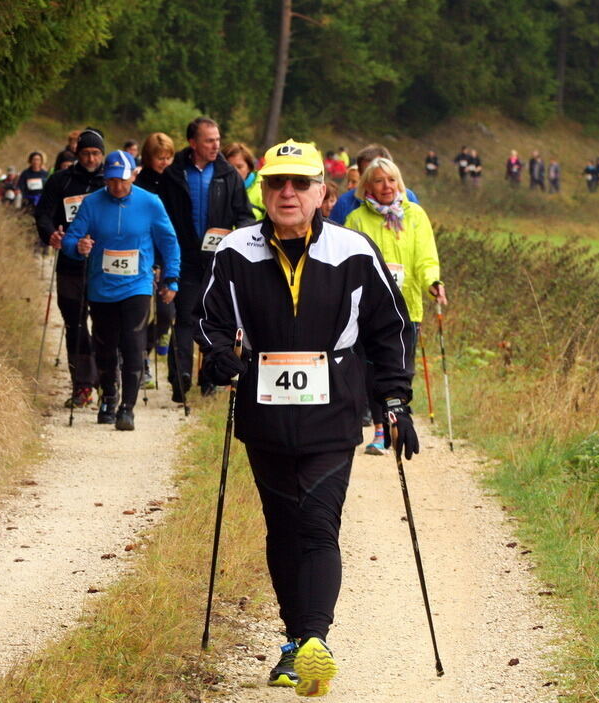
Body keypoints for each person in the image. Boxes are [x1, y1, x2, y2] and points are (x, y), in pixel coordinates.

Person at [198, 139, 417, 696]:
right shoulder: (236, 251)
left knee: (318, 523)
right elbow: (207, 320)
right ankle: (295, 641)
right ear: (263, 192)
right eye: (276, 183)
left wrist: (394, 401)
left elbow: (388, 329)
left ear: (323, 191)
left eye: (299, 183)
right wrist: (228, 363)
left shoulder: (353, 250)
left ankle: (314, 637)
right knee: (283, 527)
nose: (287, 193)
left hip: (331, 408)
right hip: (264, 411)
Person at [61, 150, 180, 430]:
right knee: (104, 346)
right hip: (102, 287)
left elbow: (170, 243)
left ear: (133, 175)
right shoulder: (91, 203)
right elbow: (71, 239)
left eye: (122, 181)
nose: (116, 186)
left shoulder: (150, 203)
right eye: (111, 181)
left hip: (137, 285)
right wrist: (78, 248)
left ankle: (127, 407)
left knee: (133, 344)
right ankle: (108, 399)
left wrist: (171, 278)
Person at [345, 157, 446, 454]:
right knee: (371, 368)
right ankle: (379, 429)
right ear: (367, 186)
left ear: (399, 183)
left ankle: (397, 419)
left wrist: (433, 283)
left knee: (400, 368)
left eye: (391, 180)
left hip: (407, 307)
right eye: (378, 180)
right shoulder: (357, 220)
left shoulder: (415, 216)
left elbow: (427, 258)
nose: (386, 186)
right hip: (368, 310)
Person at [162, 117, 255, 401]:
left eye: (217, 139)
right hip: (185, 258)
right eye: (209, 140)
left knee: (216, 320)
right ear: (193, 143)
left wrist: (245, 238)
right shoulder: (173, 174)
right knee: (186, 319)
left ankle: (210, 376)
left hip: (218, 261)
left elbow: (245, 214)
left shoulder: (228, 175)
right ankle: (181, 376)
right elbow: (162, 217)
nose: (216, 145)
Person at [35, 128, 106, 408]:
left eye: (96, 153)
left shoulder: (109, 183)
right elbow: (42, 215)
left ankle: (107, 382)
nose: (91, 158)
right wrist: (50, 234)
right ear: (77, 153)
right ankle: (82, 385)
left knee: (104, 327)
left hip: (103, 267)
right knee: (75, 326)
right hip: (70, 266)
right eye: (86, 153)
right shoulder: (60, 181)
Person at [135, 132, 181, 388]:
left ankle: (144, 349)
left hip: (170, 253)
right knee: (141, 311)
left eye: (168, 157)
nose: (164, 162)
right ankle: (137, 359)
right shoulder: (140, 183)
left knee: (166, 313)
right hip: (145, 254)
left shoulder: (174, 180)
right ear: (148, 157)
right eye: (159, 157)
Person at [330, 144, 419, 225]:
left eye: (381, 168)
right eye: (367, 172)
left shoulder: (408, 197)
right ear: (361, 175)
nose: (374, 175)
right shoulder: (346, 203)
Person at [224, 142, 265, 220]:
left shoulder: (263, 190)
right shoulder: (217, 189)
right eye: (229, 167)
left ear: (249, 167)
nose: (234, 172)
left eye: (239, 167)